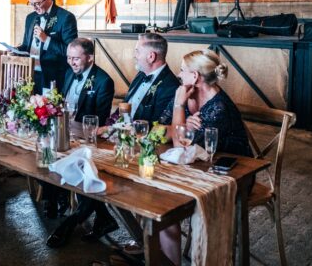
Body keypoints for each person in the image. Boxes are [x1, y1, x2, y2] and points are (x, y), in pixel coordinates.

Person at [48, 33, 180, 249]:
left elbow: (159, 131)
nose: (133, 55)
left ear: (151, 56)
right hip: (119, 141)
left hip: (144, 152)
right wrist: (109, 125)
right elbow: (123, 109)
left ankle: (75, 221)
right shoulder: (140, 76)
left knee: (92, 167)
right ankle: (101, 218)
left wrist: (118, 132)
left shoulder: (169, 86)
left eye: (137, 51)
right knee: (80, 161)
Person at [154, 49, 253, 264]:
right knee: (158, 197)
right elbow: (159, 130)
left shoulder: (218, 108)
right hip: (198, 168)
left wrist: (179, 110)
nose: (178, 75)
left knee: (166, 202)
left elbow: (181, 146)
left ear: (195, 77)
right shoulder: (185, 92)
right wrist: (181, 125)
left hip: (231, 177)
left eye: (182, 71)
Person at [44, 38, 115, 244]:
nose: (71, 63)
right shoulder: (68, 73)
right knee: (42, 151)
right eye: (68, 58)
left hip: (89, 139)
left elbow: (100, 120)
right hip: (66, 132)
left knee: (77, 165)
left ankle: (70, 218)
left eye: (76, 58)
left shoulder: (103, 81)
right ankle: (55, 196)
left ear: (90, 58)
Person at [18, 0, 78, 94]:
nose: (34, 8)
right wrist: (15, 50)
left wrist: (46, 40)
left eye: (37, 3)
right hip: (30, 75)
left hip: (53, 77)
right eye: (31, 4)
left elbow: (71, 52)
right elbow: (27, 45)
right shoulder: (30, 18)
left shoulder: (66, 17)